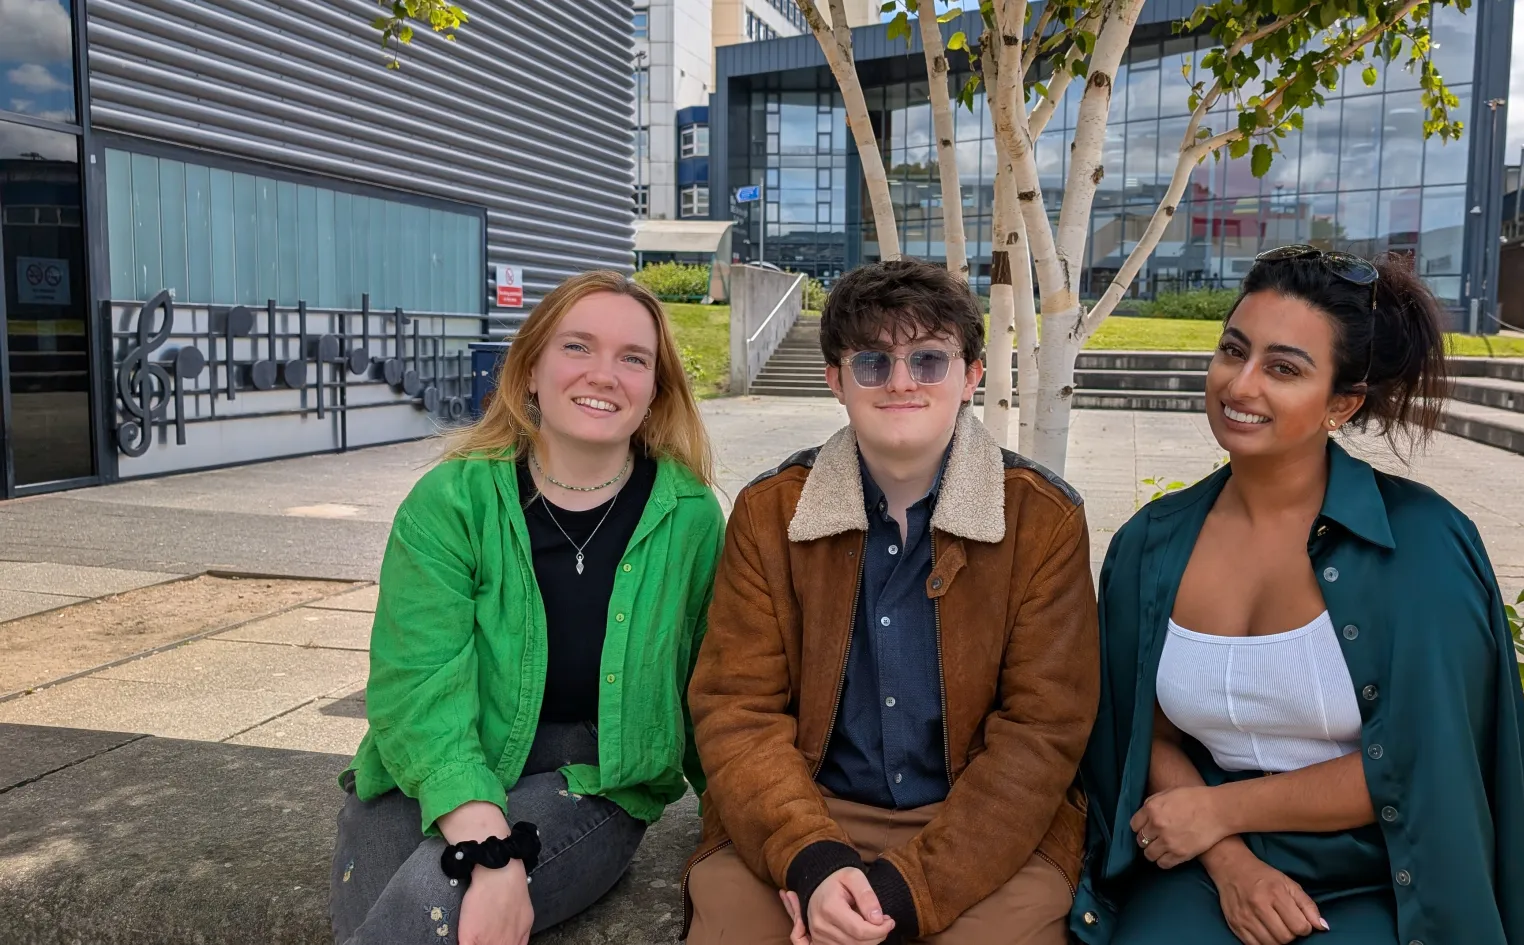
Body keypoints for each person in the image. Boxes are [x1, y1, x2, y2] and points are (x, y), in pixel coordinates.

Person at [1073, 247, 1524, 945]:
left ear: (1342, 402)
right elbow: (1139, 730)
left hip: (1384, 865)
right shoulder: (1149, 544)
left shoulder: (1423, 545)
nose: (1240, 385)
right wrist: (1227, 856)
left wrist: (1222, 810)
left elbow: (1425, 762)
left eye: (1283, 368)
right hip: (1200, 855)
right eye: (1232, 351)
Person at [683, 258, 1100, 945]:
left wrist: (911, 890)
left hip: (979, 828)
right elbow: (737, 708)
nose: (901, 381)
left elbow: (1043, 730)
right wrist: (811, 861)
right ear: (836, 381)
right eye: (873, 362)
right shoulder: (769, 512)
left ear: (971, 376)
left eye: (929, 360)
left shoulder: (1042, 517)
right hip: (802, 810)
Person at [329, 270, 725, 945]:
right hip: (439, 755)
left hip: (594, 776)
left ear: (656, 390)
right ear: (530, 368)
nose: (605, 374)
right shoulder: (451, 501)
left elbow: (711, 680)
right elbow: (414, 682)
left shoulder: (688, 516)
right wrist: (490, 845)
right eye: (578, 347)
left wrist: (746, 815)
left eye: (634, 358)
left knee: (432, 897)